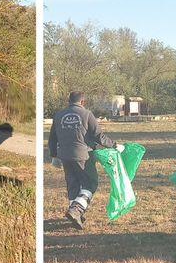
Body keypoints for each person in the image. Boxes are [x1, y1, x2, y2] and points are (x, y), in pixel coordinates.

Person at [48, 91, 122, 230]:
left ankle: (77, 215)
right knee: (90, 184)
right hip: (83, 156)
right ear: (83, 102)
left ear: (68, 101)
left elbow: (52, 138)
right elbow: (99, 136)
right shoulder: (87, 114)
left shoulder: (58, 115)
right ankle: (76, 210)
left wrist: (54, 155)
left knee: (73, 184)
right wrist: (115, 145)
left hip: (65, 156)